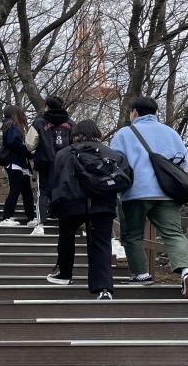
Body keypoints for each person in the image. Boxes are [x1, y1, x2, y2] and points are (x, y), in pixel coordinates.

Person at [110, 95, 188, 295]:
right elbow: (183, 161)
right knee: (174, 233)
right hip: (167, 192)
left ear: (135, 112)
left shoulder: (125, 133)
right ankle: (186, 271)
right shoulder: (170, 133)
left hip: (135, 193)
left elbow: (115, 161)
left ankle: (141, 275)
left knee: (133, 235)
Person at [46, 120, 128, 300]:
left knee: (66, 236)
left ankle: (64, 274)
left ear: (75, 135)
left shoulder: (64, 153)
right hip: (102, 203)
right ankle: (103, 288)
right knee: (101, 244)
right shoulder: (112, 153)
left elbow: (56, 180)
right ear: (97, 132)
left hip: (71, 202)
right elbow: (125, 176)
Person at [29, 96, 73, 236]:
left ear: (47, 106)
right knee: (63, 191)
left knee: (43, 191)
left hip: (45, 163)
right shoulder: (70, 124)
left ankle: (41, 223)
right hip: (65, 164)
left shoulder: (39, 122)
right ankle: (62, 219)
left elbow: (30, 144)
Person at [0, 105, 36, 227]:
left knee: (27, 192)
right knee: (15, 190)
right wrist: (26, 150)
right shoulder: (10, 125)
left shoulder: (11, 126)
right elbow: (12, 142)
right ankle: (6, 217)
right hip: (15, 163)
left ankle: (31, 217)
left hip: (20, 164)